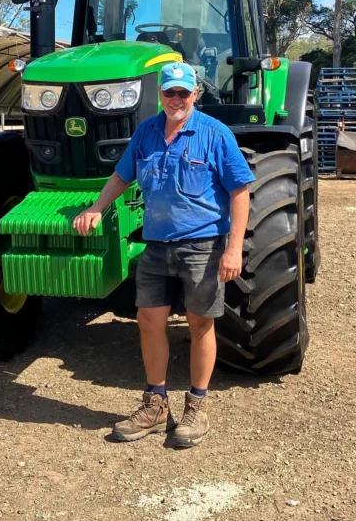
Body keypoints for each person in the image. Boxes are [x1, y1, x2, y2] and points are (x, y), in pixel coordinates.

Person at [73, 62, 254, 447]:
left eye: (183, 93)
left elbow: (240, 191)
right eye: (169, 92)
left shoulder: (214, 134)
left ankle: (197, 407)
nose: (176, 99)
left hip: (202, 245)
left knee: (199, 324)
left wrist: (233, 248)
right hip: (157, 243)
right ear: (160, 94)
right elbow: (123, 176)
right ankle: (155, 405)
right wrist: (96, 208)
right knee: (148, 321)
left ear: (195, 95)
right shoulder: (147, 132)